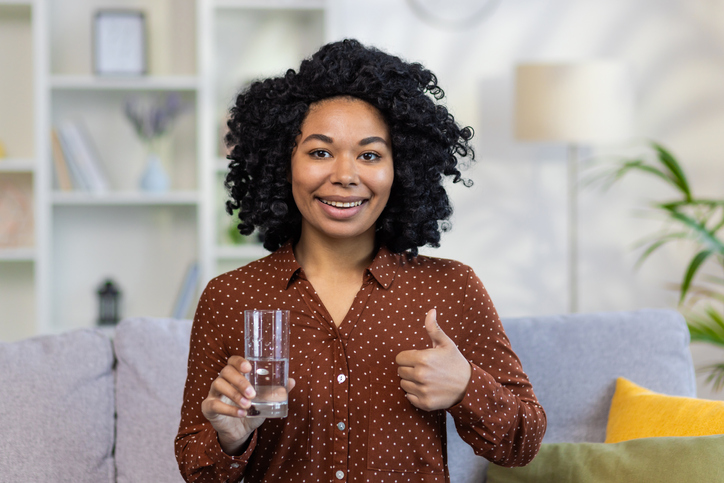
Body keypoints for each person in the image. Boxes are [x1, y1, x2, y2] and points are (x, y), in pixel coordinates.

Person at [175, 38, 546, 483]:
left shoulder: (451, 288)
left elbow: (523, 444)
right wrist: (229, 437)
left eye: (369, 154)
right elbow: (197, 469)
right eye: (320, 152)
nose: (345, 175)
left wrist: (467, 387)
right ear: (282, 162)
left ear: (402, 169)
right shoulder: (231, 296)